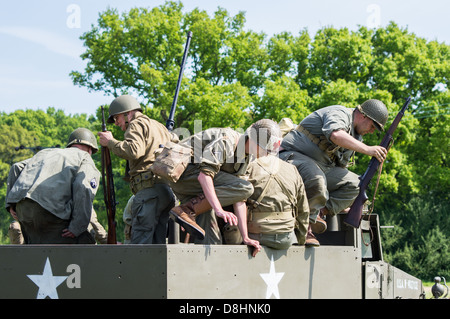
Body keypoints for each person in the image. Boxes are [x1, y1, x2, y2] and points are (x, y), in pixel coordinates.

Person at [279, 99, 389, 245]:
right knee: (317, 179)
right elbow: (335, 135)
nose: (372, 130)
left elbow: (341, 167)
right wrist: (368, 149)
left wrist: (342, 202)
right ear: (364, 116)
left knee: (356, 184)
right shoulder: (340, 113)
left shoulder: (356, 137)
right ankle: (306, 230)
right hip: (293, 157)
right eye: (372, 126)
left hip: (321, 167)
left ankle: (319, 212)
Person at [168, 119, 284, 245]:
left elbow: (239, 197)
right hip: (184, 174)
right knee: (246, 188)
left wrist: (245, 237)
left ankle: (187, 211)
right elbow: (204, 176)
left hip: (199, 187)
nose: (266, 155)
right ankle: (186, 209)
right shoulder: (227, 141)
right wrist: (219, 210)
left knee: (210, 239)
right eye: (265, 150)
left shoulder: (247, 157)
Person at [98, 95, 177, 244]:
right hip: (166, 191)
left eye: (117, 118)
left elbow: (134, 150)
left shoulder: (135, 124)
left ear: (127, 114)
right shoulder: (159, 126)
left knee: (140, 246)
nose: (116, 124)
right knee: (157, 245)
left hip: (148, 193)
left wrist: (110, 142)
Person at [224, 121, 310, 256]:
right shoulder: (292, 169)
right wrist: (301, 240)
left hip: (257, 236)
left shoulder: (246, 166)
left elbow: (238, 200)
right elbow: (303, 209)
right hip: (286, 238)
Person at [5, 128, 101, 244]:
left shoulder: (46, 153)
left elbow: (16, 167)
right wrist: (76, 227)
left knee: (35, 249)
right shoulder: (84, 157)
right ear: (90, 149)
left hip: (24, 209)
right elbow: (83, 188)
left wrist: (11, 205)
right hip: (52, 213)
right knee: (86, 239)